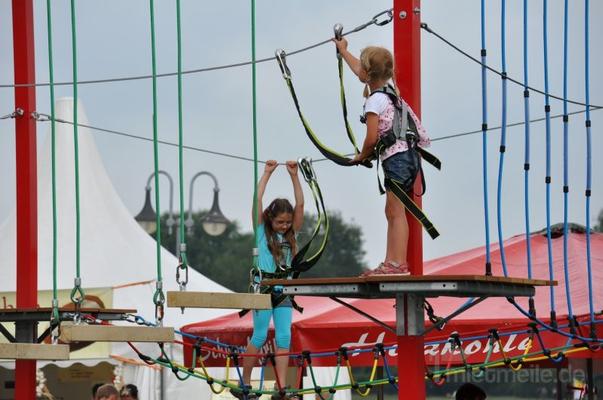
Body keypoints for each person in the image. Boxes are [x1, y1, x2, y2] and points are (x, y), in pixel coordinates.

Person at [334, 37, 431, 275]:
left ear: (368, 74)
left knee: (395, 211)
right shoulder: (390, 92)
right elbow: (361, 69)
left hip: (396, 159)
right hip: (408, 157)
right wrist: (343, 50)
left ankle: (397, 264)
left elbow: (371, 138)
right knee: (393, 211)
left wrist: (361, 156)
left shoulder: (374, 102)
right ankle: (392, 262)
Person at [234, 160, 304, 400]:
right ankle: (245, 382)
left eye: (287, 222)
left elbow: (301, 204)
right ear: (270, 220)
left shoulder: (292, 233)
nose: (284, 226)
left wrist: (294, 176)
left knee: (284, 336)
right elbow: (258, 200)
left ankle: (282, 387)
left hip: (283, 290)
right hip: (263, 289)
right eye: (280, 222)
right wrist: (267, 173)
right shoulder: (262, 232)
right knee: (260, 335)